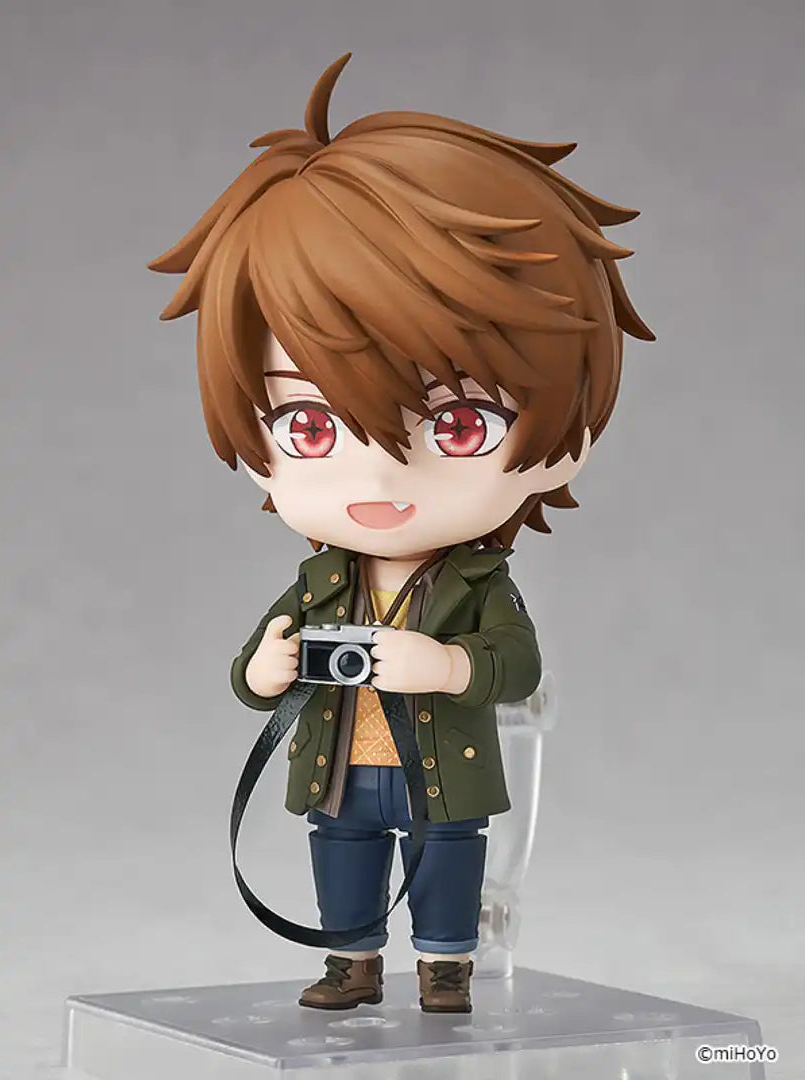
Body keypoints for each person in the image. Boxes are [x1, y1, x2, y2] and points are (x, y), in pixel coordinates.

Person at [149, 52, 653, 1014]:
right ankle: (351, 960)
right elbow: (252, 677)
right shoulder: (320, 583)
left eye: (459, 424)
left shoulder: (477, 583)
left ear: (566, 431)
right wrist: (269, 666)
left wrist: (448, 666)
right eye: (309, 424)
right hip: (341, 769)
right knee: (340, 859)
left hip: (441, 770)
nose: (379, 478)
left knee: (445, 862)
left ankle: (445, 965)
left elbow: (517, 665)